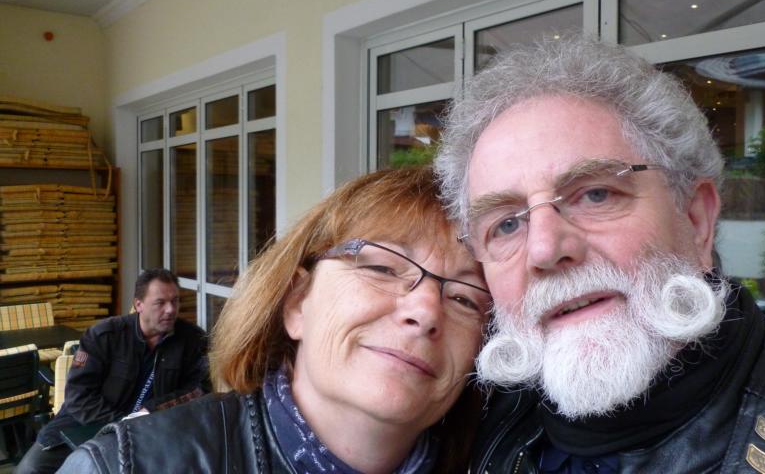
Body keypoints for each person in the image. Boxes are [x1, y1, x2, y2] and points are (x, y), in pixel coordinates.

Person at [434, 35, 765, 473]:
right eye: (506, 224)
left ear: (696, 219)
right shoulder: (472, 427)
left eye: (595, 194)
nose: (544, 249)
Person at [58, 166, 491, 473]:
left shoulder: (501, 461)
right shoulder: (123, 466)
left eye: (465, 298)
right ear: (297, 302)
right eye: (382, 267)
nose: (426, 311)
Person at [16, 268, 209, 474]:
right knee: (30, 469)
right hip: (84, 425)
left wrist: (151, 411)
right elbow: (78, 397)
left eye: (175, 301)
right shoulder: (103, 335)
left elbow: (198, 390)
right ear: (138, 305)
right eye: (160, 303)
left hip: (150, 430)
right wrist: (119, 424)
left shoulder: (192, 339)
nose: (170, 310)